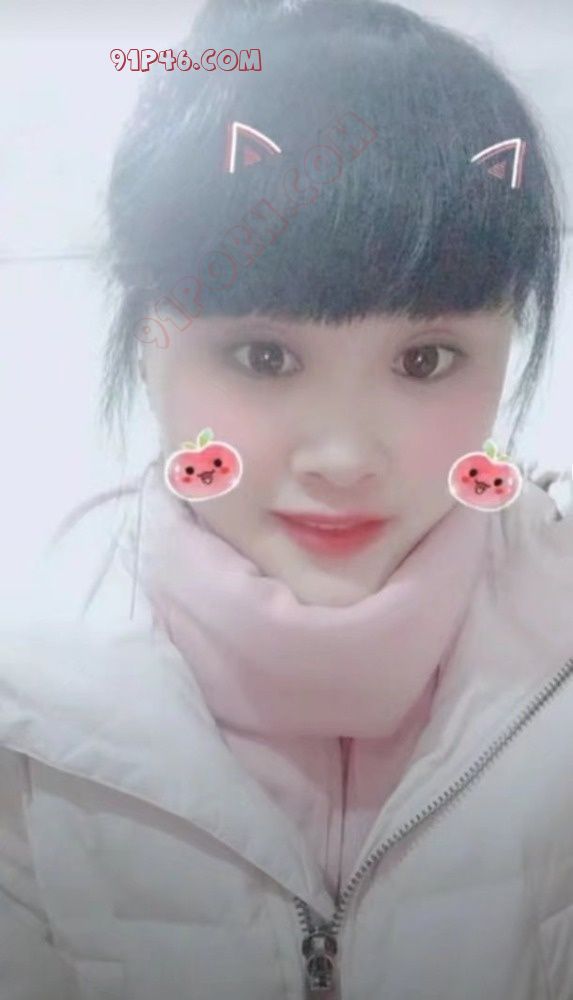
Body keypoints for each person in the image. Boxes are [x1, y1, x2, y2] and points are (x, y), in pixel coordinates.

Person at [1, 1, 573, 997]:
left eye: (426, 359)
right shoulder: (26, 693)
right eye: (263, 357)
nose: (343, 458)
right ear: (147, 341)